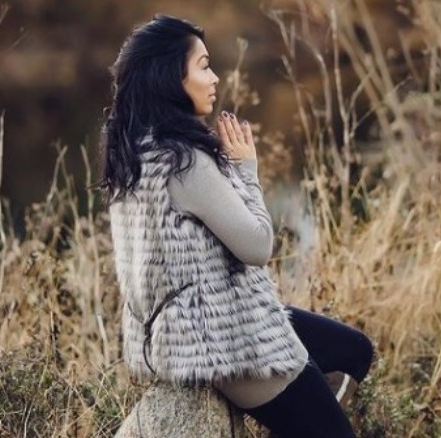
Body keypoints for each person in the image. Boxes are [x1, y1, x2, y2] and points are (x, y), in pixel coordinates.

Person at [96, 14, 374, 437]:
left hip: (181, 330)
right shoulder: (185, 161)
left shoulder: (133, 154)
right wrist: (246, 171)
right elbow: (258, 246)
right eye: (204, 66)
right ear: (172, 77)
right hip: (225, 341)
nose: (215, 78)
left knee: (353, 351)